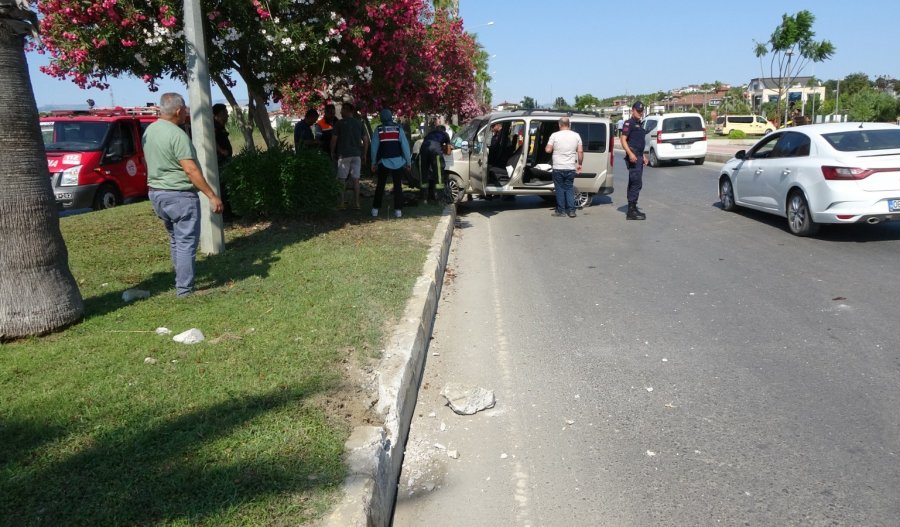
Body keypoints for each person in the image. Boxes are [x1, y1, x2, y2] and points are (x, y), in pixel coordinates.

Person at [142, 92, 224, 297]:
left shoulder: (149, 131)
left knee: (176, 239)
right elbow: (191, 170)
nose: (186, 112)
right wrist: (211, 195)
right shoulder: (177, 135)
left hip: (157, 194)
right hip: (179, 195)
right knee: (186, 241)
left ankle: (181, 282)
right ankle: (185, 289)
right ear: (178, 111)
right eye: (185, 109)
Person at [370, 108, 412, 218]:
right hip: (398, 161)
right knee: (398, 186)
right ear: (390, 116)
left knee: (380, 185)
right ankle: (398, 211)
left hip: (383, 162)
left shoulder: (378, 130)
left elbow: (374, 148)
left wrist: (373, 163)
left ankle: (375, 210)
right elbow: (405, 146)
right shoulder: (398, 128)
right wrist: (408, 162)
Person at [330, 102, 369, 210]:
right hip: (356, 155)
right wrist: (364, 154)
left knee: (342, 180)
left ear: (348, 111)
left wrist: (332, 152)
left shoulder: (339, 124)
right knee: (356, 179)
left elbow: (334, 140)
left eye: (342, 110)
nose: (341, 112)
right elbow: (366, 140)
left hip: (344, 155)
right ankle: (357, 203)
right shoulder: (359, 123)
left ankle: (342, 203)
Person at [544, 116, 583, 218]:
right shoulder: (576, 135)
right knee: (569, 188)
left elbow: (548, 150)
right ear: (569, 124)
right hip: (570, 167)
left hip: (558, 167)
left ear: (559, 124)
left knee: (560, 189)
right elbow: (580, 151)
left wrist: (549, 147)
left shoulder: (554, 135)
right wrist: (580, 164)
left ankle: (561, 211)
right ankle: (571, 211)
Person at [620, 101, 648, 220]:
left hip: (639, 156)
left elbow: (639, 143)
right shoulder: (629, 123)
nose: (640, 113)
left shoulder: (639, 124)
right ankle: (631, 211)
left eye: (641, 111)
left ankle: (633, 207)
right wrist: (630, 153)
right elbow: (623, 139)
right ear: (632, 110)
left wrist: (644, 157)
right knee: (635, 182)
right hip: (633, 157)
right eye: (638, 111)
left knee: (635, 182)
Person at [420, 122, 451, 203]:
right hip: (435, 150)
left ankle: (424, 198)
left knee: (424, 172)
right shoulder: (445, 134)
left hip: (423, 150)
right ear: (444, 130)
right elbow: (448, 151)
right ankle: (439, 198)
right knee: (439, 174)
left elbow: (425, 142)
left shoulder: (430, 133)